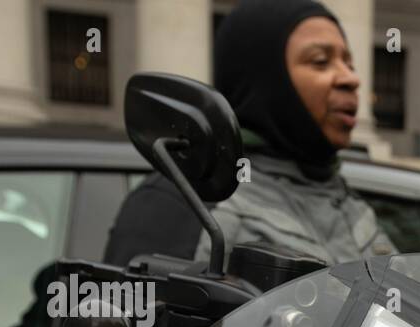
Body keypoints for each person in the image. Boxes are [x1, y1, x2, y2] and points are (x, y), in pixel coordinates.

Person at [103, 0, 395, 269]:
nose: (351, 78)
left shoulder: (349, 203)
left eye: (349, 63)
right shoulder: (183, 202)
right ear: (264, 79)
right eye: (320, 61)